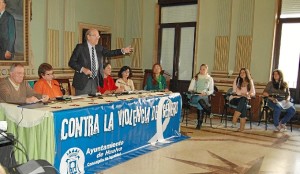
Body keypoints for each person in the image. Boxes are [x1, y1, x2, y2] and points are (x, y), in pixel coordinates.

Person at [68, 28, 133, 96]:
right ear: (88, 37)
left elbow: (110, 53)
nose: (98, 38)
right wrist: (82, 69)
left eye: (98, 36)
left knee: (93, 104)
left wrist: (122, 51)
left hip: (95, 81)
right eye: (95, 36)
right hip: (82, 82)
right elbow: (71, 62)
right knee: (83, 104)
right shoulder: (80, 47)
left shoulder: (99, 48)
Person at [188, 64, 214, 129]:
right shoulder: (195, 77)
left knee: (200, 101)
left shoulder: (209, 78)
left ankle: (199, 124)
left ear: (206, 70)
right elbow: (190, 89)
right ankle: (208, 111)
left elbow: (211, 91)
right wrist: (194, 91)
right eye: (200, 69)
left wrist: (206, 93)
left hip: (204, 97)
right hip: (195, 97)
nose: (201, 70)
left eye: (203, 69)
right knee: (200, 98)